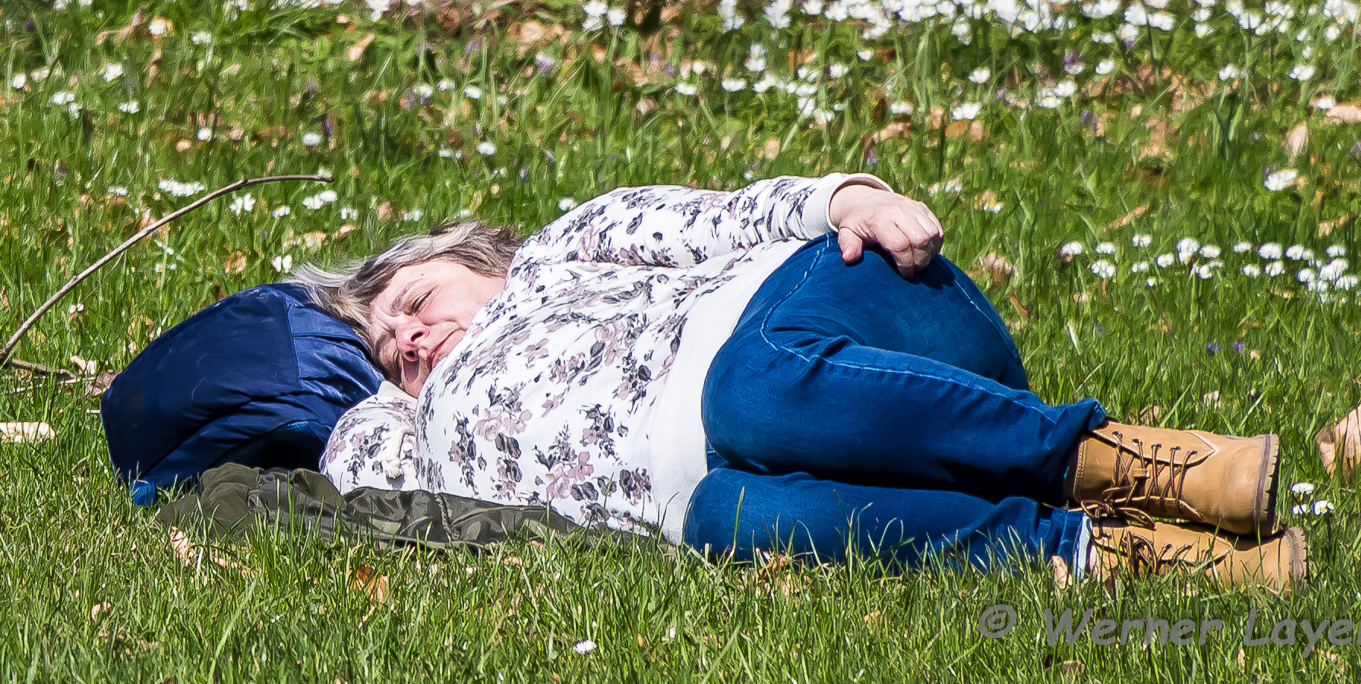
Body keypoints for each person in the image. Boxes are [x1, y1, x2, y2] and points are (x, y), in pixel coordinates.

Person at [297, 173, 1306, 590]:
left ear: (479, 257)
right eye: (390, 346)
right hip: (697, 480)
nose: (412, 335)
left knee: (747, 394)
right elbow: (363, 481)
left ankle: (1110, 457)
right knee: (731, 522)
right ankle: (1115, 553)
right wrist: (386, 387)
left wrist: (851, 194)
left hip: (831, 319)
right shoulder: (412, 427)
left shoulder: (559, 253)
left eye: (418, 300)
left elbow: (726, 219)